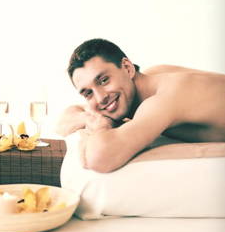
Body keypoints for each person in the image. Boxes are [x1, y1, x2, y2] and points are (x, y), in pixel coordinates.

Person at [56, 38, 225, 173]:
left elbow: (99, 158)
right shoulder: (152, 76)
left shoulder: (162, 99)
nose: (100, 98)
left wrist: (101, 127)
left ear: (128, 68)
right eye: (88, 93)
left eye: (104, 80)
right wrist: (89, 117)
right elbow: (62, 123)